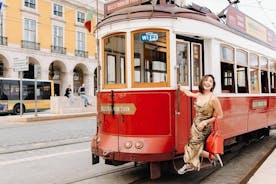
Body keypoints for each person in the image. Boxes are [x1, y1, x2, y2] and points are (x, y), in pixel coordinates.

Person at [178, 74, 224, 174]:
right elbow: (189, 93)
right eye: (206, 80)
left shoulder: (213, 99)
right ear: (202, 82)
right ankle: (212, 157)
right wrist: (180, 87)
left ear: (212, 85)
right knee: (192, 145)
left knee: (193, 145)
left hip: (204, 126)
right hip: (195, 125)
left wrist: (205, 122)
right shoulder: (199, 95)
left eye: (210, 81)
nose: (207, 83)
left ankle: (190, 165)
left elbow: (220, 115)